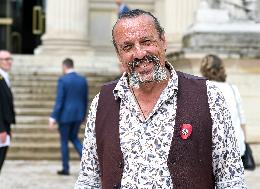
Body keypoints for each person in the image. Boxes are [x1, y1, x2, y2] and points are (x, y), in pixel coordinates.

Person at [75, 9, 246, 188]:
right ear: (119, 55)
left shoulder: (209, 96)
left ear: (163, 41)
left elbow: (231, 180)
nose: (139, 54)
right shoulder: (102, 102)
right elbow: (89, 179)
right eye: (127, 47)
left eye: (146, 42)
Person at [200, 54, 247, 157]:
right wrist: (244, 143)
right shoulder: (233, 89)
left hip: (212, 149)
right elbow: (242, 120)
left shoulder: (202, 88)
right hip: (236, 147)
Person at [49, 58, 88, 176]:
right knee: (74, 138)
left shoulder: (63, 80)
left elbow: (59, 100)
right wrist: (84, 115)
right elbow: (85, 99)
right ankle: (87, 163)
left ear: (64, 66)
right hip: (78, 115)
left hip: (65, 116)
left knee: (64, 141)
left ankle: (65, 168)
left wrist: (53, 117)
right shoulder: (82, 79)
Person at [0, 50, 16, 173]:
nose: (9, 62)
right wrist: (1, 129)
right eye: (5, 59)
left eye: (10, 59)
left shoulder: (4, 77)